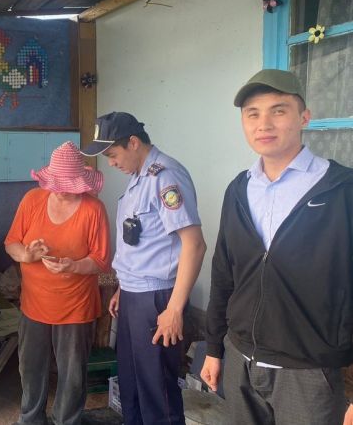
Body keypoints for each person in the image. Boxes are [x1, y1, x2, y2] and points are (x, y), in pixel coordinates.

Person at [201, 69, 353, 425]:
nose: (263, 124)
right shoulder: (239, 190)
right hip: (241, 361)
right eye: (252, 114)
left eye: (278, 110)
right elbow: (223, 273)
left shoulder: (342, 190)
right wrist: (213, 348)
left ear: (304, 117)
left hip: (309, 372)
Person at [82, 112, 206, 425]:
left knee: (156, 389)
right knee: (132, 382)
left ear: (134, 143)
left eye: (113, 154)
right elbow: (140, 243)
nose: (111, 163)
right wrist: (122, 288)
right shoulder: (139, 178)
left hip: (157, 299)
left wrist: (174, 309)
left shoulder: (166, 177)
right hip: (134, 296)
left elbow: (194, 245)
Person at [5, 141, 111, 425]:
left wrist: (73, 266)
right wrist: (26, 255)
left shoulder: (93, 209)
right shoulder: (32, 200)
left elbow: (101, 260)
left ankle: (67, 420)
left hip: (76, 307)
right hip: (34, 304)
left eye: (68, 184)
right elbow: (11, 242)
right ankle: (31, 419)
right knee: (30, 368)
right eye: (57, 183)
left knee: (72, 375)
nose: (62, 190)